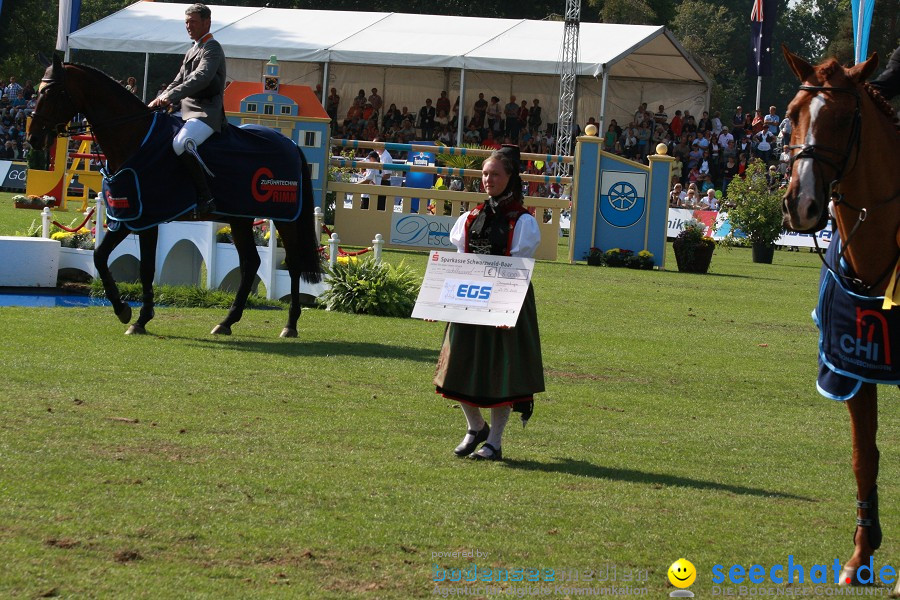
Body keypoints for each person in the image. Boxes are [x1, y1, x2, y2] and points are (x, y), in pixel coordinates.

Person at [433, 145, 544, 461]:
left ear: (510, 177)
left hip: (507, 301)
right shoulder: (470, 218)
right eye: (484, 174)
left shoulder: (522, 222)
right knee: (457, 365)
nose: (488, 179)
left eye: (495, 174)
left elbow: (518, 267)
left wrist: (503, 303)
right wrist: (439, 302)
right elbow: (457, 263)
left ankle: (494, 441)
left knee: (499, 371)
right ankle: (475, 427)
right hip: (470, 298)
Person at [148, 3, 225, 215]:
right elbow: (177, 81)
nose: (188, 26)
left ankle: (206, 197)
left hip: (205, 112)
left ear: (206, 23)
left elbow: (201, 78)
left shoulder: (212, 47)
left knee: (181, 143)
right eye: (186, 22)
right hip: (184, 109)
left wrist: (170, 97)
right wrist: (157, 100)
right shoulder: (192, 49)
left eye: (193, 22)